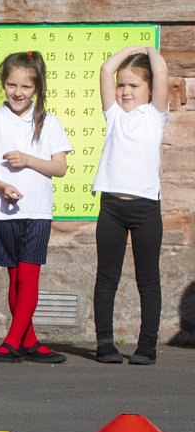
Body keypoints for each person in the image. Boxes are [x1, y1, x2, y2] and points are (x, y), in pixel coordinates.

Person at [0, 51, 72, 364]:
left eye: (26, 87)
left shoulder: (49, 123)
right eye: (12, 84)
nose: (18, 92)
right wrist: (1, 187)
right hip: (2, 211)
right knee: (15, 277)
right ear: (3, 83)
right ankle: (29, 342)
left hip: (37, 210)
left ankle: (11, 342)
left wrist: (27, 160)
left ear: (37, 88)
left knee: (29, 276)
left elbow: (60, 168)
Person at [92, 45, 169, 365]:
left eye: (134, 85)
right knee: (107, 277)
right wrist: (130, 50)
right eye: (122, 85)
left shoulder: (155, 115)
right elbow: (105, 70)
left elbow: (162, 70)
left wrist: (148, 50)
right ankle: (105, 344)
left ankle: (147, 345)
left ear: (150, 89)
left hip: (146, 209)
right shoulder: (113, 114)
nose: (125, 91)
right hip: (111, 206)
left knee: (147, 279)